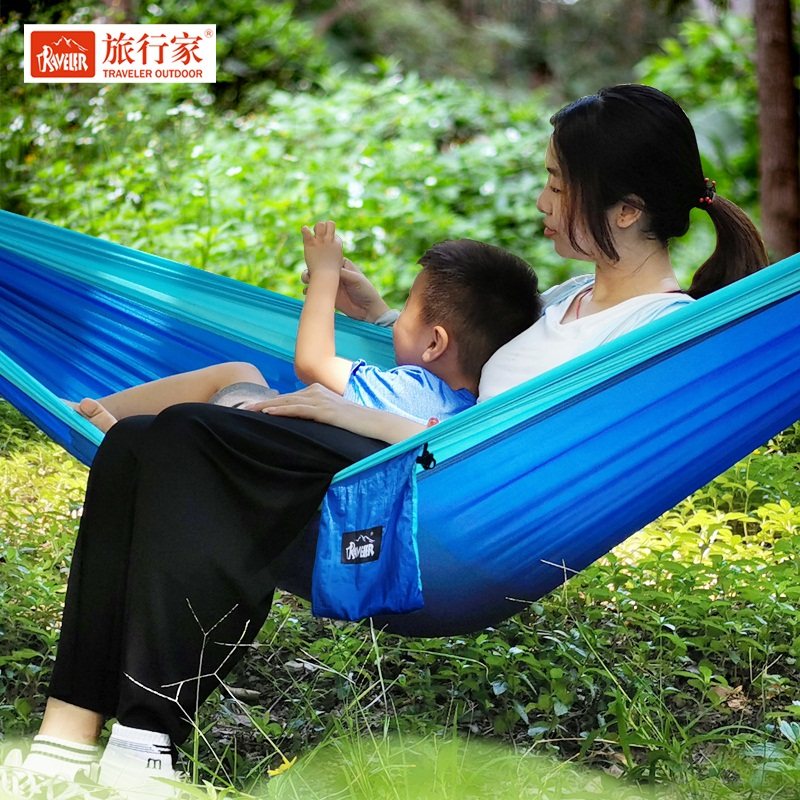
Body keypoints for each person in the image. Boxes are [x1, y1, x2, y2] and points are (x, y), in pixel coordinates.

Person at [3, 85, 767, 799]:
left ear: (626, 210)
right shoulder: (568, 297)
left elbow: (530, 451)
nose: (543, 201)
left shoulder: (660, 332)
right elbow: (461, 378)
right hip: (410, 471)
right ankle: (67, 737)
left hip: (447, 514)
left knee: (187, 434)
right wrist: (377, 325)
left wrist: (357, 418)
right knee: (138, 443)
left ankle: (145, 745)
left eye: (559, 186)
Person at [71, 222, 540, 433]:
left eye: (407, 310)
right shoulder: (463, 408)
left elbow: (313, 362)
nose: (397, 321)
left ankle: (101, 424)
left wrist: (324, 276)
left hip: (258, 447)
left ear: (435, 344)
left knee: (237, 375)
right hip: (285, 450)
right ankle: (111, 427)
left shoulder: (415, 389)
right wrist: (375, 312)